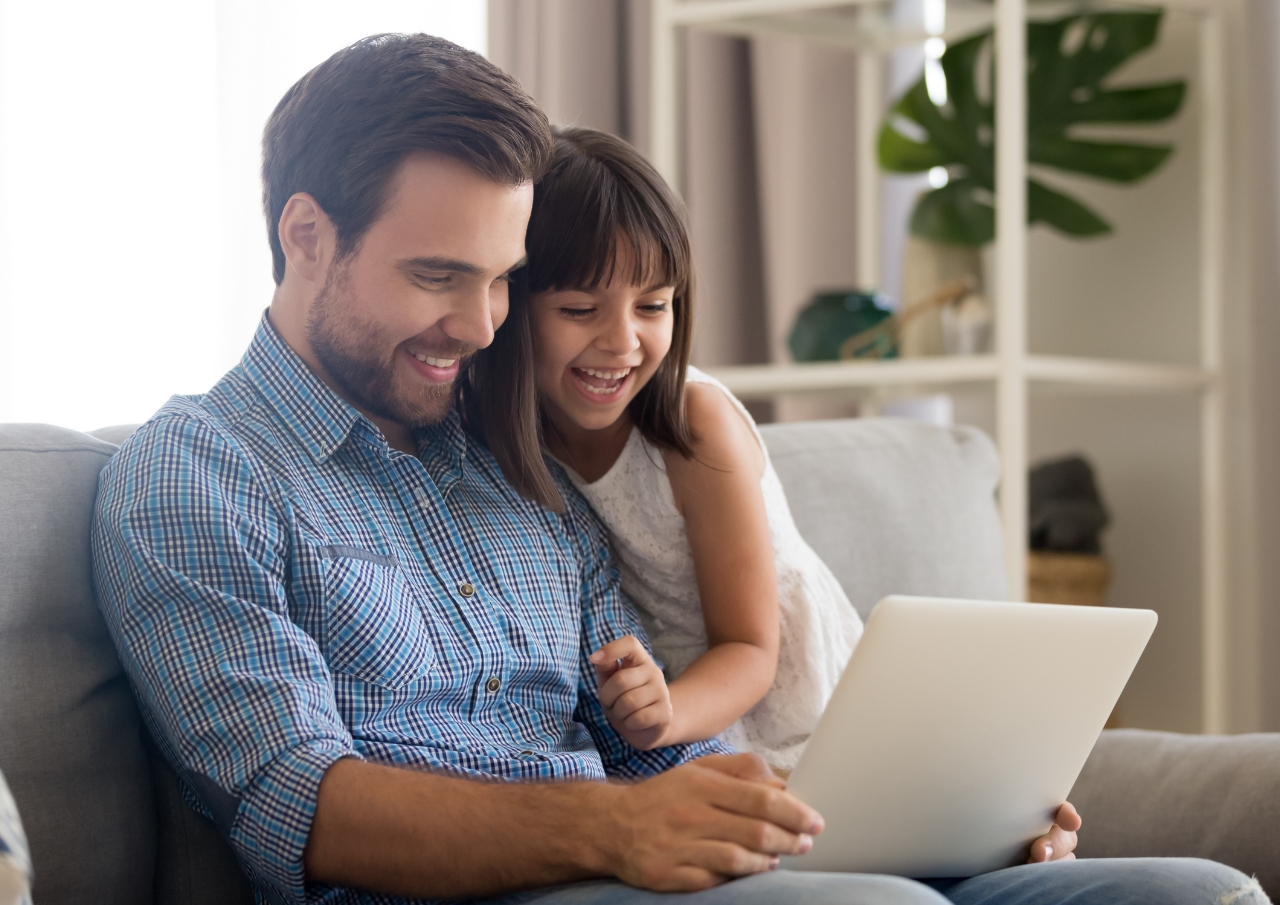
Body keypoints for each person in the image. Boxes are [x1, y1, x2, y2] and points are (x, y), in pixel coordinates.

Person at [89, 31, 1265, 905]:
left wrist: (937, 819)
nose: (484, 323)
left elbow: (657, 740)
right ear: (306, 237)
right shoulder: (198, 477)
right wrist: (610, 827)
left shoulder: (512, 463)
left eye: (502, 280)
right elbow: (300, 803)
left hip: (644, 872)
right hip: (476, 892)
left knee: (1185, 892)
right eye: (440, 275)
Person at [464, 126, 862, 772]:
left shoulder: (695, 427)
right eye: (579, 309)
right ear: (512, 305)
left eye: (653, 305)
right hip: (662, 714)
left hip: (792, 707)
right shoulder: (493, 435)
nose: (623, 342)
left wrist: (667, 714)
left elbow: (751, 648)